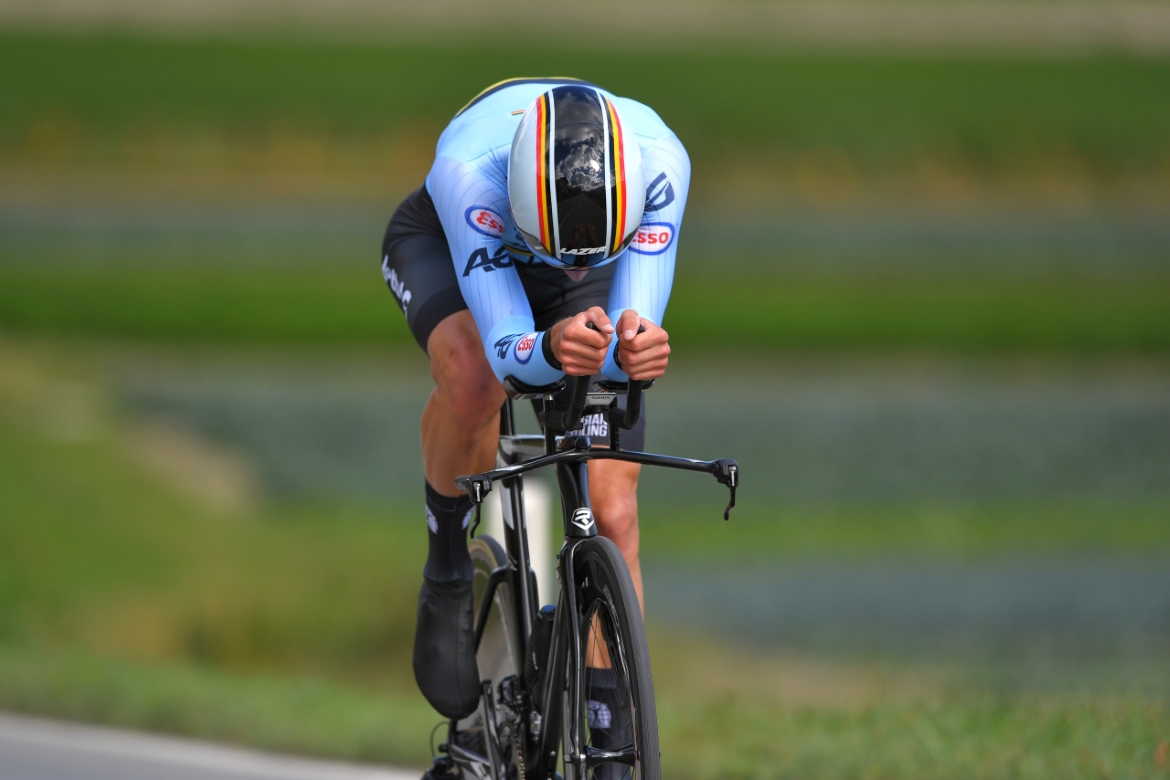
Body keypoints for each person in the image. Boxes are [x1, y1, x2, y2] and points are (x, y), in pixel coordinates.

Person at [380, 78, 688, 773]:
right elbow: (507, 348)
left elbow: (632, 321)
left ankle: (613, 742)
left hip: (594, 270)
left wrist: (635, 347)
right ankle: (449, 560)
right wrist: (549, 348)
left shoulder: (663, 161)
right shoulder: (468, 175)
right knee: (472, 374)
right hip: (456, 242)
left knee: (613, 511)